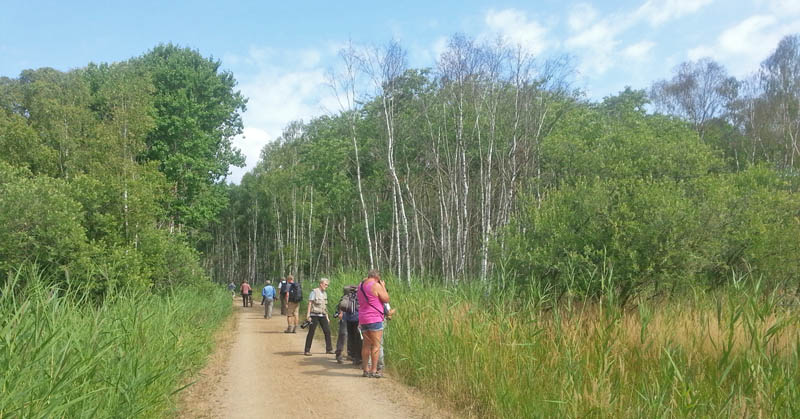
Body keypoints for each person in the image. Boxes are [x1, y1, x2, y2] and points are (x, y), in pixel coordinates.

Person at [358, 269, 389, 378]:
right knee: (376, 345)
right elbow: (386, 299)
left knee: (366, 344)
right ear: (377, 277)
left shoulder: (360, 285)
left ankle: (365, 369)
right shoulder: (375, 285)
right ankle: (374, 370)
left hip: (363, 317)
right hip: (374, 318)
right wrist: (383, 286)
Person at [303, 278, 334, 356]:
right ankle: (307, 350)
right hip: (314, 315)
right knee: (311, 332)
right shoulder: (314, 292)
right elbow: (310, 303)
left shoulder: (325, 293)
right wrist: (308, 315)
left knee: (327, 331)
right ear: (321, 284)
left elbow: (324, 306)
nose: (326, 286)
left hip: (322, 315)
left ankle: (329, 349)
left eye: (327, 285)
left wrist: (327, 317)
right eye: (325, 284)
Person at [334, 286, 362, 365]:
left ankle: (351, 355)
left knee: (349, 336)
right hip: (351, 318)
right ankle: (353, 357)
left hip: (351, 318)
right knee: (351, 336)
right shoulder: (347, 297)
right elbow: (341, 306)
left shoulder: (346, 296)